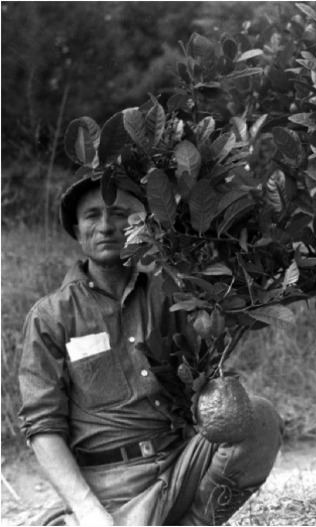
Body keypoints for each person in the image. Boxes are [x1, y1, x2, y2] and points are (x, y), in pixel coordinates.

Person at [18, 175, 283, 526]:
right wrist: (87, 509)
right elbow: (42, 426)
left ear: (139, 224)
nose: (106, 226)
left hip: (179, 465)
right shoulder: (50, 317)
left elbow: (211, 359)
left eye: (119, 213)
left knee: (259, 417)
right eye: (92, 216)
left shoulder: (171, 293)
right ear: (77, 230)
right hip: (109, 489)